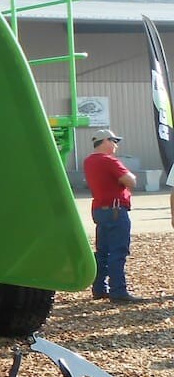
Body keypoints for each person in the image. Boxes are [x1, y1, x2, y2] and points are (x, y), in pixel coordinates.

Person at [82, 129, 139, 302]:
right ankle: (118, 290)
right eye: (114, 141)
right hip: (115, 209)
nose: (116, 145)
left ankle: (99, 288)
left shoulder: (88, 161)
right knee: (118, 251)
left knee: (102, 252)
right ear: (105, 141)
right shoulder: (109, 161)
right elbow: (131, 181)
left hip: (99, 209)